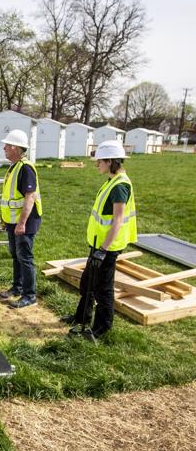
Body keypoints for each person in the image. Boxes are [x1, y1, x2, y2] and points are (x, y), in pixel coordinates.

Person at [62, 140, 137, 339]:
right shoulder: (112, 181)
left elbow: (118, 220)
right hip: (99, 244)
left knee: (103, 288)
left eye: (100, 161)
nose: (97, 165)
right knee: (88, 281)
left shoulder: (120, 186)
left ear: (110, 161)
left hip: (107, 247)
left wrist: (103, 250)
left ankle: (101, 329)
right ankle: (81, 317)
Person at [0, 129, 42, 309]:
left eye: (7, 145)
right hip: (13, 221)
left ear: (16, 147)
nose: (4, 148)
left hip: (25, 222)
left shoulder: (25, 168)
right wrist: (5, 219)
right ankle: (17, 287)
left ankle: (29, 295)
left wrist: (22, 223)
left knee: (25, 257)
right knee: (16, 255)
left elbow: (29, 197)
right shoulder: (14, 166)